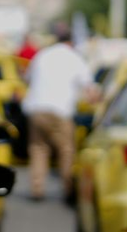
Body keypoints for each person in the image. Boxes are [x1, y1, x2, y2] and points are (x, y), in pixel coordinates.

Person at [21, 23, 95, 202]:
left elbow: (27, 79)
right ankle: (68, 189)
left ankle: (37, 189)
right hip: (60, 111)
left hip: (36, 109)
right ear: (71, 42)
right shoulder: (74, 58)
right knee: (66, 150)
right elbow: (89, 89)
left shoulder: (42, 55)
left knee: (39, 149)